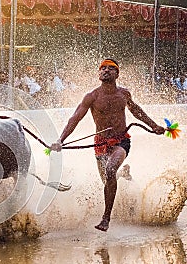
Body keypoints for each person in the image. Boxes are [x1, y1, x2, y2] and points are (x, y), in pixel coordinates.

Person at [50, 59, 165, 232]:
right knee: (108, 179)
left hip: (121, 141)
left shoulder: (124, 94)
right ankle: (123, 174)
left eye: (111, 69)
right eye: (102, 68)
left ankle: (106, 218)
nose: (106, 71)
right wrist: (61, 140)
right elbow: (75, 118)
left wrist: (154, 125)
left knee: (110, 170)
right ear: (98, 74)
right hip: (101, 144)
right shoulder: (92, 97)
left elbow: (137, 111)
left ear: (117, 74)